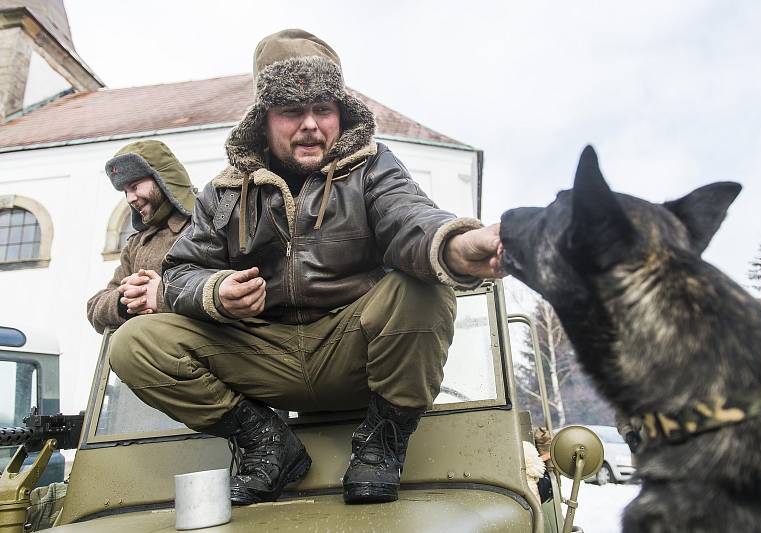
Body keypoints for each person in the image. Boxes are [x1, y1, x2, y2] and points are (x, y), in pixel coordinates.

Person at [108, 29, 503, 506]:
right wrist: (217, 292)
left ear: (340, 111)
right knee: (133, 344)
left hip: (352, 348)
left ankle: (382, 442)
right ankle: (265, 443)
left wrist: (459, 244)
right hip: (262, 354)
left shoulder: (373, 168)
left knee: (424, 286)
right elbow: (181, 271)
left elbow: (411, 220)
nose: (311, 125)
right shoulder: (225, 191)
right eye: (293, 111)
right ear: (264, 119)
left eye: (324, 109)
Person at [86, 140, 196, 333]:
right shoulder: (136, 244)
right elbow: (95, 307)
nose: (130, 199)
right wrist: (125, 302)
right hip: (136, 356)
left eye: (135, 186)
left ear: (163, 179)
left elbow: (219, 291)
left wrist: (159, 295)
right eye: (126, 192)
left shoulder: (205, 224)